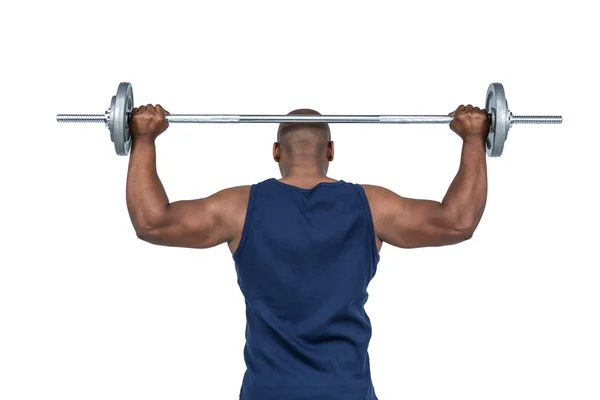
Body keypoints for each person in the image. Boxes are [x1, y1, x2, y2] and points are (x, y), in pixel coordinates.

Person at [126, 104, 489, 400]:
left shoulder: (238, 207)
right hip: (347, 391)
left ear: (275, 152)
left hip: (268, 392)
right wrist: (473, 138)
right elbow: (457, 222)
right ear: (331, 151)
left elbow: (152, 222)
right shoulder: (372, 206)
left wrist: (144, 138)